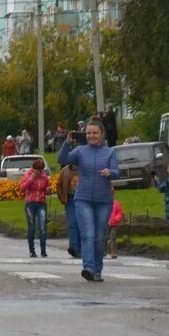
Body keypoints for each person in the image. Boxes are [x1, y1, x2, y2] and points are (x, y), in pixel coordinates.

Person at [57, 118, 119, 282]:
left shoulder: (109, 152)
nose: (91, 135)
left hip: (103, 200)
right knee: (88, 235)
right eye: (89, 133)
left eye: (94, 133)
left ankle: (97, 270)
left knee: (99, 237)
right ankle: (88, 267)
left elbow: (116, 171)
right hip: (82, 199)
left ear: (101, 134)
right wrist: (67, 143)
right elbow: (62, 160)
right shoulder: (80, 151)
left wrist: (110, 172)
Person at [18, 157, 50, 258]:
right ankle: (32, 251)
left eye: (41, 170)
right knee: (31, 226)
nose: (39, 172)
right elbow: (21, 188)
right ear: (34, 168)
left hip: (41, 203)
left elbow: (46, 188)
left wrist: (48, 189)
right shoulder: (28, 175)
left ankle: (43, 251)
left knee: (42, 227)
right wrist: (32, 178)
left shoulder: (44, 177)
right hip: (30, 203)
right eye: (37, 170)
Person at [55, 163, 81, 258]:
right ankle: (74, 248)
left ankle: (81, 248)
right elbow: (58, 185)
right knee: (73, 223)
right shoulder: (65, 170)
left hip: (82, 199)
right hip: (70, 199)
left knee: (81, 223)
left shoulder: (85, 167)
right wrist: (62, 197)